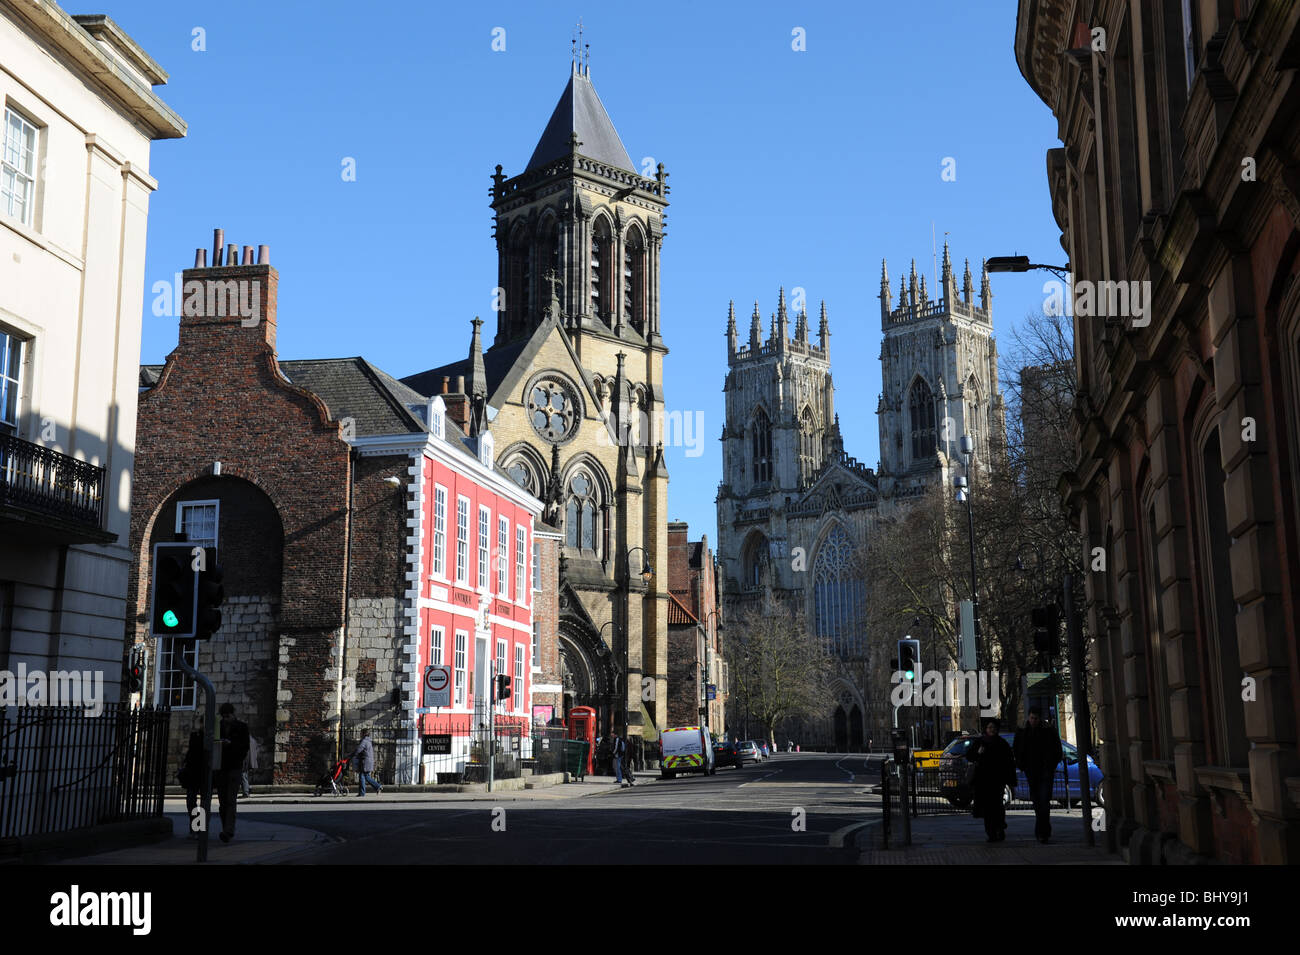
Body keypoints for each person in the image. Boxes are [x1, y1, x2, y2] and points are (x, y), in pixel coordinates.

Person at [1014, 706, 1064, 843]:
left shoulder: (1048, 731)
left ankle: (1042, 832)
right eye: (1031, 718)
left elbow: (1057, 750)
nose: (1033, 721)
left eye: (1035, 718)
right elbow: (1017, 749)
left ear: (1039, 718)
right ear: (1028, 717)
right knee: (1038, 802)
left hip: (1045, 771)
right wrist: (1022, 764)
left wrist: (1051, 765)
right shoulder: (1023, 731)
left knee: (1044, 801)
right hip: (1032, 771)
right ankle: (1043, 831)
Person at [966, 718, 1015, 842]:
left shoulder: (1002, 743)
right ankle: (991, 832)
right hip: (983, 781)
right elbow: (970, 756)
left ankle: (999, 828)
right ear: (986, 729)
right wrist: (978, 753)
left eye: (993, 727)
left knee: (998, 806)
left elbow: (1009, 762)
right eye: (989, 728)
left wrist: (1009, 778)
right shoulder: (980, 742)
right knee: (987, 809)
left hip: (997, 780)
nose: (991, 730)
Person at [215, 703, 250, 843]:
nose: (226, 719)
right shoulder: (219, 727)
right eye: (223, 716)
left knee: (230, 800)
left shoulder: (241, 727)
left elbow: (245, 747)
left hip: (235, 767)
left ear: (233, 714)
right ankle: (226, 828)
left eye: (228, 716)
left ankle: (228, 830)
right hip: (221, 767)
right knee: (222, 802)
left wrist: (231, 745)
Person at [179, 728, 204, 838]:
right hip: (193, 772)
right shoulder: (195, 735)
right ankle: (196, 828)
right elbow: (190, 753)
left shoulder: (211, 735)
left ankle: (198, 829)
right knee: (191, 801)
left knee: (201, 803)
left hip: (203, 772)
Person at [352, 729, 383, 796]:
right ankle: (378, 786)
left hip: (365, 762)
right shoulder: (368, 741)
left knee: (362, 776)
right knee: (366, 776)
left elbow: (358, 750)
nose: (360, 734)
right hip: (368, 762)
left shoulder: (364, 741)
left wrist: (352, 755)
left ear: (363, 734)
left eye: (361, 733)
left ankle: (362, 793)